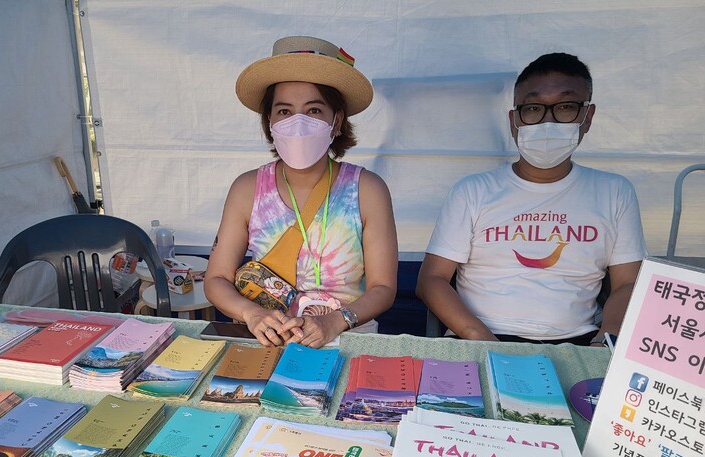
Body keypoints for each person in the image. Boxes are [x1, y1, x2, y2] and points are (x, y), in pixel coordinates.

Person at [416, 52, 647, 345]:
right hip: (479, 338)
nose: (547, 121)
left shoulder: (614, 192)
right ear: (514, 121)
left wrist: (604, 341)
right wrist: (480, 338)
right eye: (534, 108)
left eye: (565, 107)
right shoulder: (472, 191)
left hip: (580, 341)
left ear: (587, 117)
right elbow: (431, 280)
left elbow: (628, 283)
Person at [205, 36, 398, 348]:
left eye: (313, 110)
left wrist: (336, 321)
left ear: (336, 121)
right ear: (269, 121)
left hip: (347, 340)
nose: (297, 123)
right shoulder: (246, 188)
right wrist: (252, 314)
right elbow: (216, 279)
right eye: (284, 111)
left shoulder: (368, 190)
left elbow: (383, 287)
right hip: (266, 341)